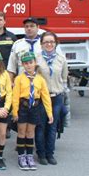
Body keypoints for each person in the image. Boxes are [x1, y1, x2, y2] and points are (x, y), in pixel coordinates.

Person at [12, 51, 53, 171]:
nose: (28, 65)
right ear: (22, 65)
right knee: (21, 131)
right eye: (25, 63)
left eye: (30, 62)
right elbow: (15, 96)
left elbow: (45, 97)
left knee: (30, 132)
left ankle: (29, 155)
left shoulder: (40, 79)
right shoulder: (19, 79)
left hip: (35, 107)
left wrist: (49, 113)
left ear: (35, 63)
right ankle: (21, 156)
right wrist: (15, 112)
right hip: (23, 107)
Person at [35, 32, 68, 165]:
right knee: (41, 126)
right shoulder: (36, 59)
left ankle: (50, 153)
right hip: (42, 98)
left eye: (52, 42)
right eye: (46, 42)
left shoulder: (62, 59)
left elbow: (64, 78)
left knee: (53, 126)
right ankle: (41, 154)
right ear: (41, 44)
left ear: (56, 43)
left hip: (57, 97)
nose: (49, 44)